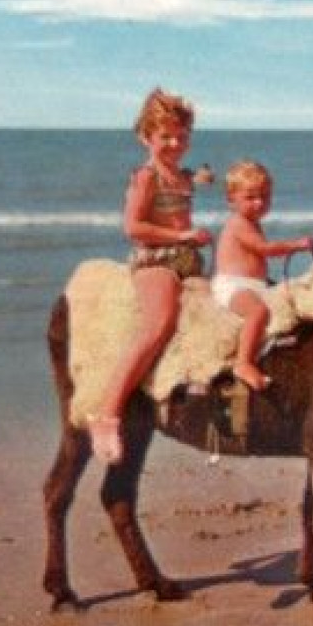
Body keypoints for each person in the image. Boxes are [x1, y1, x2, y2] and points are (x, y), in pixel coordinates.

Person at [89, 88, 212, 465]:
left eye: (182, 137)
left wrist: (201, 176)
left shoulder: (179, 174)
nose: (175, 144)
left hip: (188, 260)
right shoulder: (146, 177)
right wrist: (182, 235)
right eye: (166, 137)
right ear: (146, 137)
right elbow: (133, 226)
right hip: (155, 260)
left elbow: (187, 178)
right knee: (158, 322)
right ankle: (107, 413)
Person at [213, 160, 313, 392]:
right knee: (257, 312)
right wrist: (295, 244)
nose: (259, 203)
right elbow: (265, 249)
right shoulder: (238, 224)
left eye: (265, 197)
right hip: (233, 286)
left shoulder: (253, 223)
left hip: (254, 285)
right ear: (231, 200)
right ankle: (243, 363)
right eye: (250, 197)